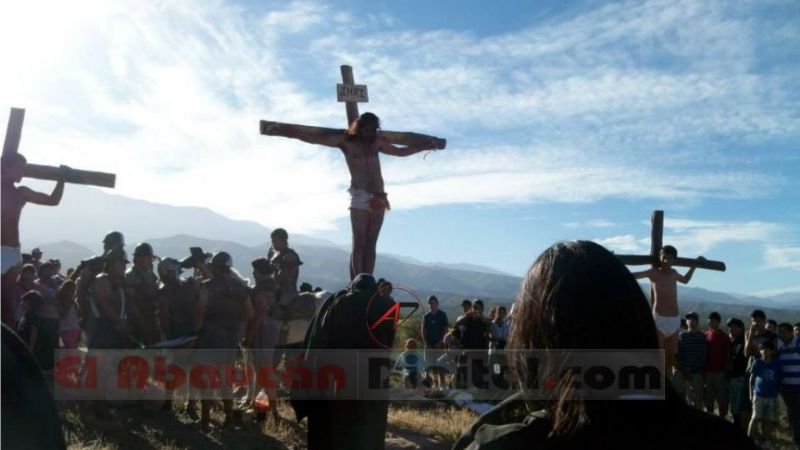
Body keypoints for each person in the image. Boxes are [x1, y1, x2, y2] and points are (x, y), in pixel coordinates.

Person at [453, 241, 756, 450]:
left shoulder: (509, 444)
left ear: (542, 337)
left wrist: (537, 389)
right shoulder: (726, 440)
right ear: (637, 316)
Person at [264, 113, 442, 279]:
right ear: (360, 127)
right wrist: (286, 130)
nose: (369, 132)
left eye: (373, 129)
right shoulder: (346, 142)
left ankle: (368, 279)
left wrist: (423, 146)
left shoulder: (376, 143)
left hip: (379, 196)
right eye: (367, 128)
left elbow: (400, 152)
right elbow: (313, 138)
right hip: (359, 195)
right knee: (359, 242)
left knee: (371, 242)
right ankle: (358, 279)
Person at [299, 273, 396, 450]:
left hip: (343, 375)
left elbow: (325, 340)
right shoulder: (388, 305)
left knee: (341, 424)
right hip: (375, 376)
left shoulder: (341, 302)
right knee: (372, 426)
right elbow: (389, 341)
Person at [1, 153, 66, 326]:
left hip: (12, 253)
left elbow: (53, 201)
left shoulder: (21, 193)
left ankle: (8, 346)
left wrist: (62, 179)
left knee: (7, 303)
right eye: (20, 167)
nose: (24, 171)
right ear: (7, 168)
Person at [193, 251, 253, 432]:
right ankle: (228, 419)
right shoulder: (240, 288)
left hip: (210, 335)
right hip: (230, 337)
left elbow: (201, 311)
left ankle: (204, 420)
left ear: (215, 267)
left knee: (207, 377)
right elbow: (250, 313)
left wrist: (195, 333)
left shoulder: (206, 286)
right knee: (226, 379)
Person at [631, 245, 704, 375]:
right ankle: (656, 384)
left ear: (673, 260)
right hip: (659, 319)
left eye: (669, 258)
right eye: (664, 257)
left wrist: (694, 265)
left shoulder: (674, 273)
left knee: (671, 357)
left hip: (674, 320)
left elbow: (686, 280)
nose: (666, 261)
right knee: (658, 355)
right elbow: (634, 275)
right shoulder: (653, 273)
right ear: (660, 257)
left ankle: (667, 386)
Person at [242, 257, 280, 421]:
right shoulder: (274, 286)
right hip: (271, 328)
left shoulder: (261, 291)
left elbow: (259, 314)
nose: (252, 273)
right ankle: (261, 406)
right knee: (264, 369)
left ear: (259, 272)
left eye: (254, 270)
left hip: (262, 330)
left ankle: (273, 410)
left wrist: (249, 336)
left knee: (264, 369)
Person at [124, 243, 160, 346]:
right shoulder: (131, 275)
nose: (151, 260)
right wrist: (140, 320)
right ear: (139, 258)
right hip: (137, 320)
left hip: (149, 317)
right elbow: (131, 301)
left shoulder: (148, 273)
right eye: (149, 257)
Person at [748, 341, 781, 448]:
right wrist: (751, 393)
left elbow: (779, 380)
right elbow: (751, 380)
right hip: (758, 395)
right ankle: (749, 440)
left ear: (772, 351)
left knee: (768, 420)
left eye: (767, 349)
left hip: (772, 396)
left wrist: (777, 392)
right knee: (755, 417)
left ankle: (766, 442)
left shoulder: (777, 364)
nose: (764, 351)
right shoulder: (757, 362)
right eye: (762, 349)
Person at [674, 312, 706, 408]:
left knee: (698, 399)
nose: (691, 321)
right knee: (675, 392)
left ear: (697, 322)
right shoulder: (681, 336)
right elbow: (679, 355)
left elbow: (703, 356)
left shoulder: (702, 337)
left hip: (696, 371)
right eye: (689, 319)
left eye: (693, 319)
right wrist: (684, 369)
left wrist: (691, 369)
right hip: (682, 371)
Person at [777, 322, 800, 447]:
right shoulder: (780, 348)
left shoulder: (798, 344)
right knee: (792, 413)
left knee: (796, 414)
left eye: (783, 332)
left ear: (791, 332)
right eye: (779, 332)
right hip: (786, 388)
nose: (781, 335)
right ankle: (796, 439)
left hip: (798, 387)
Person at [704, 311, 730, 417]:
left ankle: (722, 418)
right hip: (708, 372)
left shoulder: (724, 337)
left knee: (722, 399)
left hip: (720, 373)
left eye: (713, 322)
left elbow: (727, 355)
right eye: (709, 322)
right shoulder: (706, 335)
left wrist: (725, 371)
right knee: (709, 399)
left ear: (719, 322)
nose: (711, 324)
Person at [728, 317, 750, 432]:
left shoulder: (744, 341)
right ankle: (737, 428)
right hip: (732, 377)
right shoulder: (732, 341)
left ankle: (742, 429)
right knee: (734, 406)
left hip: (741, 377)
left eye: (734, 327)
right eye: (730, 327)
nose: (731, 329)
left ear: (741, 328)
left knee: (740, 406)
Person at [57, 280, 81, 349]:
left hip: (75, 328)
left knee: (73, 348)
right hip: (66, 330)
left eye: (73, 290)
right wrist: (69, 304)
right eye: (69, 290)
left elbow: (77, 316)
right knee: (70, 349)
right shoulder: (61, 302)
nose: (71, 292)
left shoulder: (73, 302)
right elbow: (63, 315)